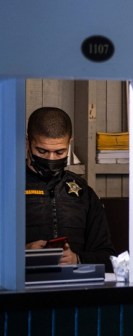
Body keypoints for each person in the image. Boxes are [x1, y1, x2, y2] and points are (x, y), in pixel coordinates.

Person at [25, 107, 116, 270]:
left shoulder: (83, 192)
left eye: (59, 152)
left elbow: (107, 256)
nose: (51, 159)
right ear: (28, 142)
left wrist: (78, 259)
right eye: (42, 151)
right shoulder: (8, 186)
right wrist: (21, 253)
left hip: (75, 288)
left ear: (69, 143)